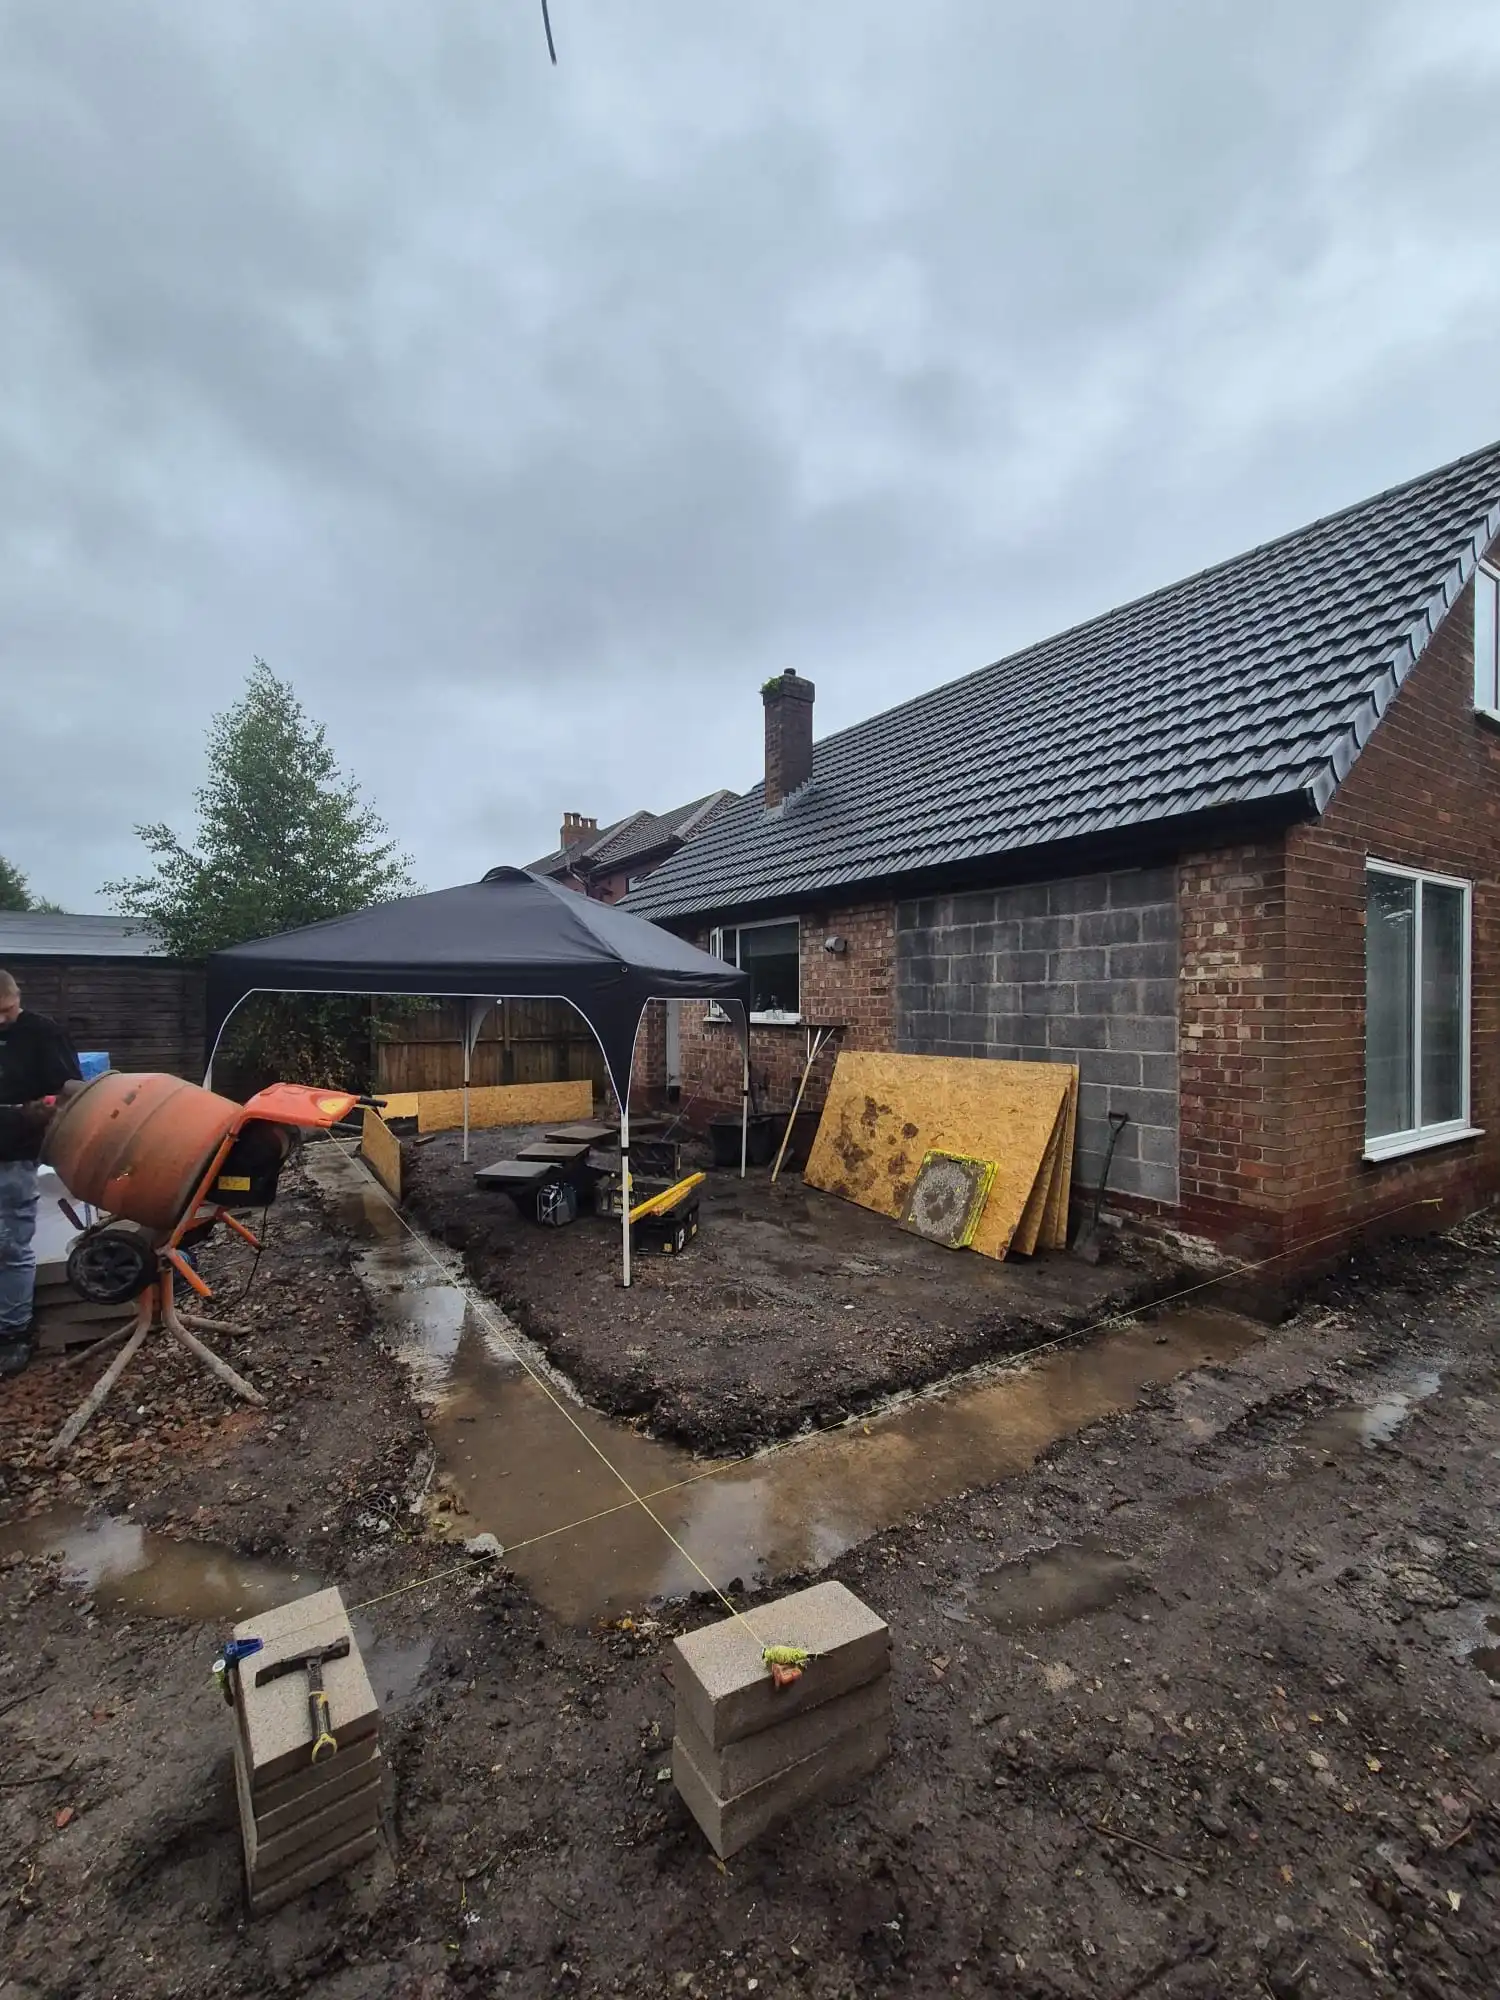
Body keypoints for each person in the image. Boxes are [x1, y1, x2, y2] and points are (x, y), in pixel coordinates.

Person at [0, 970, 81, 1376]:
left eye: (7, 1011)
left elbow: (68, 1085)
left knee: (11, 1244)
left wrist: (52, 1108)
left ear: (18, 999)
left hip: (13, 1153)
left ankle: (14, 1333)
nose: (1, 1019)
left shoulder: (41, 1033)